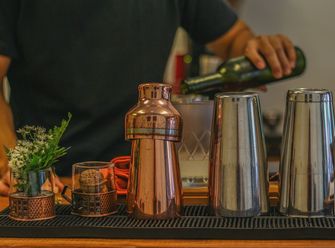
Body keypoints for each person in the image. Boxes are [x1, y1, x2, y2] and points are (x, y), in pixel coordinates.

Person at [0, 0, 297, 195]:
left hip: (139, 185)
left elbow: (233, 39)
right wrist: (19, 165)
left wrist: (256, 48)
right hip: (49, 186)